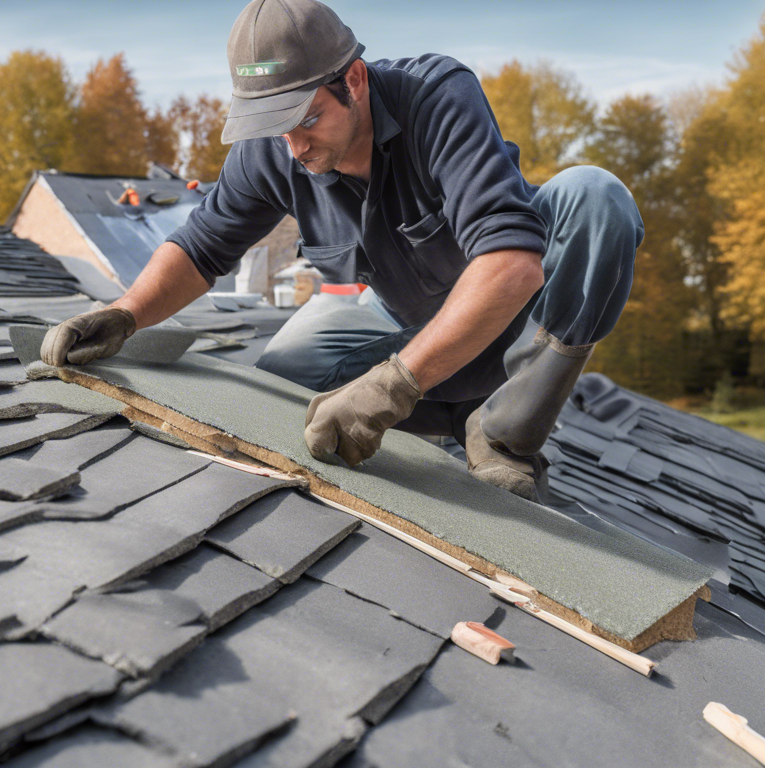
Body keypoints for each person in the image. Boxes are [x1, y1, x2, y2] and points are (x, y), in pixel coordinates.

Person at [41, 0, 644, 502]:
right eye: (274, 125)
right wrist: (124, 313)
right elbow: (202, 246)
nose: (294, 144)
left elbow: (511, 265)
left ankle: (507, 432)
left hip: (517, 310)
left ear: (353, 80)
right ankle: (459, 415)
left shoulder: (436, 97)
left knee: (597, 197)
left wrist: (394, 385)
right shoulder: (276, 148)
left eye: (306, 119)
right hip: (404, 316)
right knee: (283, 381)